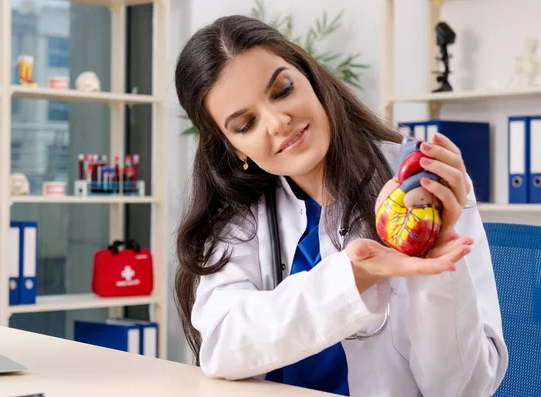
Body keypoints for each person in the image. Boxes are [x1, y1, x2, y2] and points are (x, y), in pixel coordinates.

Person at [173, 14, 508, 396]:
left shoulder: (425, 187)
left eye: (282, 91)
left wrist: (433, 260)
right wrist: (354, 276)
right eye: (245, 124)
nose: (278, 122)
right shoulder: (240, 219)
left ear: (311, 81)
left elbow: (465, 389)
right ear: (234, 148)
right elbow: (222, 347)